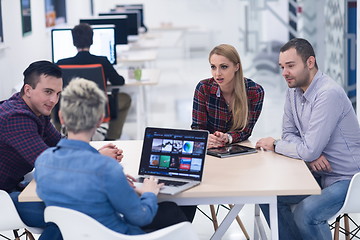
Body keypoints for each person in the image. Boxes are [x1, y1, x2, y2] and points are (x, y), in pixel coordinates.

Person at [34, 78, 190, 235]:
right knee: (173, 211)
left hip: (71, 235)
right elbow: (141, 217)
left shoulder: (43, 162)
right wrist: (149, 192)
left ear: (61, 117)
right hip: (117, 236)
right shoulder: (107, 169)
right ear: (100, 119)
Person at [0, 61, 123, 239]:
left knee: (77, 205)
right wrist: (98, 160)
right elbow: (51, 165)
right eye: (48, 92)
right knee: (71, 212)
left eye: (58, 93)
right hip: (3, 200)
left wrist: (95, 155)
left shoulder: (35, 111)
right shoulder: (17, 117)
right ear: (28, 90)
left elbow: (61, 144)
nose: (54, 100)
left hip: (13, 188)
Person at [255, 38, 360, 240]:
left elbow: (298, 145)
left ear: (310, 62)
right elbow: (289, 134)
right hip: (316, 173)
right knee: (269, 197)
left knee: (306, 213)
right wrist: (310, 155)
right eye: (282, 66)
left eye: (291, 66)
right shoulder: (293, 91)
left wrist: (276, 144)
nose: (284, 72)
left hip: (348, 179)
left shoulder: (328, 94)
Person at [57, 23, 131, 140]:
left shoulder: (61, 63)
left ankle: (58, 137)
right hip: (97, 108)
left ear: (73, 42)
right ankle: (111, 137)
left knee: (55, 103)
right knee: (126, 99)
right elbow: (119, 81)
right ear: (92, 41)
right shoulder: (102, 61)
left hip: (71, 108)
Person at [191, 44, 264, 148]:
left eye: (224, 67)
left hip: (237, 149)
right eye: (213, 67)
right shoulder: (203, 88)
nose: (217, 73)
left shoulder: (255, 92)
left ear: (236, 67)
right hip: (210, 148)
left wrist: (227, 137)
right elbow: (197, 127)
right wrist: (206, 137)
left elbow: (246, 131)